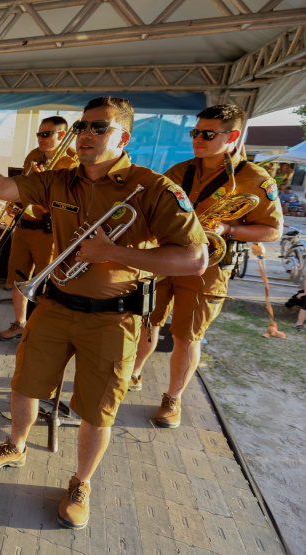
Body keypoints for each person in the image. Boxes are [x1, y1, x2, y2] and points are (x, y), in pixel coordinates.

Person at [0, 96, 208, 530]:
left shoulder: (152, 188)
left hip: (114, 317)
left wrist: (114, 252)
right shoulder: (60, 179)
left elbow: (194, 260)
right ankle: (16, 446)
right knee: (24, 386)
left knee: (97, 410)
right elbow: (2, 189)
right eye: (82, 126)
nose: (86, 135)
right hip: (54, 304)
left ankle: (80, 483)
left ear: (123, 137)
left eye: (99, 128)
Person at [130, 104, 282, 428]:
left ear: (233, 136)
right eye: (195, 132)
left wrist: (228, 229)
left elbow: (273, 230)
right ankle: (133, 372)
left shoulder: (256, 179)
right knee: (147, 321)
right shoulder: (179, 170)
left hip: (208, 269)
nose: (198, 139)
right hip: (167, 255)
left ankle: (173, 398)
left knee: (186, 337)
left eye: (208, 134)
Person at [0, 116, 80, 341]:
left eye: (46, 134)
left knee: (49, 281)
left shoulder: (72, 162)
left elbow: (65, 200)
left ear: (61, 136)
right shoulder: (33, 155)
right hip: (24, 227)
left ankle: (45, 330)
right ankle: (19, 323)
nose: (41, 139)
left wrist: (42, 178)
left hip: (49, 230)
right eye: (39, 134)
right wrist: (17, 207)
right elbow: (24, 186)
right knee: (18, 278)